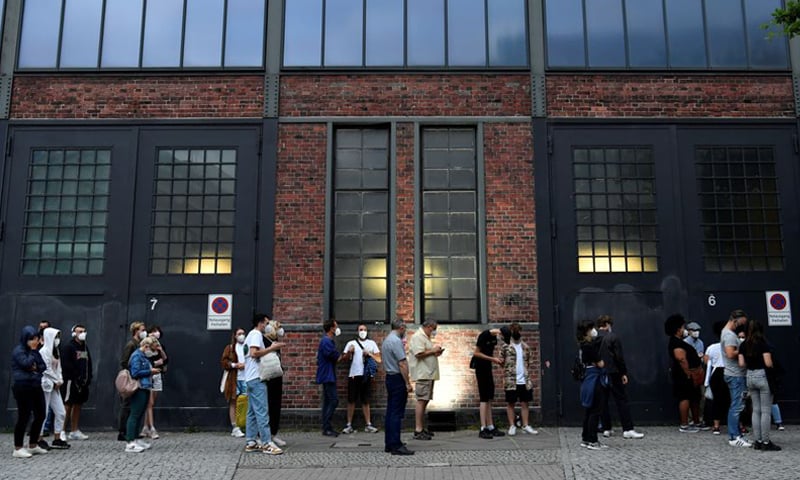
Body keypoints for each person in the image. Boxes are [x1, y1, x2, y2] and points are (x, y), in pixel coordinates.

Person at [595, 315, 644, 439]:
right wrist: (623, 373)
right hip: (614, 372)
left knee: (603, 402)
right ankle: (627, 429)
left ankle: (607, 428)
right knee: (621, 400)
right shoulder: (613, 338)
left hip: (600, 373)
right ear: (608, 324)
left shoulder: (595, 339)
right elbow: (618, 357)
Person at [243, 313, 283, 455]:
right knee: (262, 411)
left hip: (250, 378)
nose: (267, 326)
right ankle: (267, 443)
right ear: (260, 323)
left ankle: (251, 441)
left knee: (252, 412)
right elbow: (254, 353)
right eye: (266, 323)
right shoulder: (256, 335)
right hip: (257, 377)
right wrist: (272, 348)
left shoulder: (250, 335)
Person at [739, 320, 781, 451]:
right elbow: (768, 363)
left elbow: (741, 364)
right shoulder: (763, 344)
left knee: (756, 410)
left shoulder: (743, 345)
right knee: (766, 411)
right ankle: (766, 441)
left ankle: (757, 441)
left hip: (750, 376)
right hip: (763, 376)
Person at [11, 326, 49, 458]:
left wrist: (35, 367)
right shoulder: (19, 351)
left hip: (35, 385)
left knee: (41, 414)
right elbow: (26, 364)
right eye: (32, 339)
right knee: (24, 416)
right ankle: (18, 447)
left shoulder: (35, 352)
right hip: (23, 386)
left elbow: (43, 366)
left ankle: (33, 444)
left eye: (36, 339)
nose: (35, 342)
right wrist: (33, 355)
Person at [664, 314, 703, 433]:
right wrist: (688, 373)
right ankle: (684, 424)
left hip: (691, 374)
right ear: (678, 329)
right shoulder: (675, 343)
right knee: (684, 397)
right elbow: (682, 359)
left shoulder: (679, 341)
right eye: (682, 327)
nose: (684, 329)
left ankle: (697, 422)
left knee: (695, 397)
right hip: (684, 375)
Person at [341, 324, 381, 434]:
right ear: (357, 332)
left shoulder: (371, 343)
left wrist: (370, 354)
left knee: (366, 400)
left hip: (366, 375)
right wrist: (350, 352)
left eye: (364, 330)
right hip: (354, 374)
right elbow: (343, 359)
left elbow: (379, 359)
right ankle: (349, 424)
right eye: (360, 330)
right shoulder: (351, 343)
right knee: (351, 400)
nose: (362, 331)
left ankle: (368, 424)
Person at [499, 322, 538, 436]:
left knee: (525, 403)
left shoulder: (526, 347)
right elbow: (501, 362)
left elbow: (529, 363)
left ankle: (525, 425)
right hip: (511, 381)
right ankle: (512, 425)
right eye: (515, 331)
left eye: (518, 330)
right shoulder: (506, 347)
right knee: (511, 403)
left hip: (524, 380)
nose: (517, 333)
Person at [382, 319, 414, 455]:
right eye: (404, 328)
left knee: (390, 412)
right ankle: (396, 444)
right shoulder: (396, 342)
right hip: (397, 378)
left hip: (390, 377)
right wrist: (407, 382)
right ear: (401, 327)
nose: (405, 331)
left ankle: (389, 443)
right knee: (396, 413)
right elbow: (402, 364)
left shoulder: (387, 340)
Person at [472, 326, 510, 439]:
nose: (501, 340)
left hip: (487, 367)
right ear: (500, 333)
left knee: (489, 397)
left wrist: (497, 361)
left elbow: (489, 354)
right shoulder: (484, 335)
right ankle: (483, 428)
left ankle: (490, 426)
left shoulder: (494, 339)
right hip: (480, 367)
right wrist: (493, 359)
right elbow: (476, 353)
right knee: (484, 397)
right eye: (503, 338)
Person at [408, 319, 443, 441]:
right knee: (421, 400)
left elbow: (425, 352)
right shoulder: (418, 337)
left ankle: (421, 428)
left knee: (425, 400)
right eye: (433, 329)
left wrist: (435, 352)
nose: (434, 332)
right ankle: (418, 429)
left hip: (428, 373)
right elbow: (418, 354)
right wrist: (433, 350)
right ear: (428, 327)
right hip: (423, 374)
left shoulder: (425, 337)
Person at [721, 309, 752, 448]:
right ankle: (734, 436)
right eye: (742, 323)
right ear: (736, 320)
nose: (742, 325)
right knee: (736, 406)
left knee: (737, 405)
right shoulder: (728, 335)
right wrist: (745, 349)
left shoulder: (728, 333)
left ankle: (737, 434)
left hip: (735, 374)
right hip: (735, 375)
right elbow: (730, 353)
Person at [124, 336, 159, 453]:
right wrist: (150, 371)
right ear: (146, 346)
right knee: (135, 414)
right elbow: (135, 373)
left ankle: (135, 438)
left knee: (139, 414)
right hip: (138, 387)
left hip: (145, 387)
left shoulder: (143, 356)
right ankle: (130, 442)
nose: (152, 352)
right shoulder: (137, 356)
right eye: (152, 349)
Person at [577, 320, 607, 450]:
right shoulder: (589, 346)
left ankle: (586, 438)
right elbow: (600, 363)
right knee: (595, 410)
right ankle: (592, 440)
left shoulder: (582, 346)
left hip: (587, 380)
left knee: (589, 411)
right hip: (594, 380)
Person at [39, 327, 70, 450]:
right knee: (43, 412)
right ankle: (39, 438)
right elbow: (46, 369)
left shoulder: (55, 351)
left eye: (58, 337)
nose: (57, 340)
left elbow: (59, 368)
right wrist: (56, 380)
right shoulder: (43, 351)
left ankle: (57, 438)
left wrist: (60, 379)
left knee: (61, 412)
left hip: (55, 386)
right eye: (55, 337)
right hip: (46, 385)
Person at [61, 324, 92, 441]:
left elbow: (88, 363)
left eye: (84, 331)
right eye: (80, 331)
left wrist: (88, 378)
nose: (82, 333)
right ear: (74, 333)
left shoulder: (84, 347)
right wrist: (75, 377)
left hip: (83, 382)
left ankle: (74, 430)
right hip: (71, 381)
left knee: (78, 404)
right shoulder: (69, 347)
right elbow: (66, 364)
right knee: (67, 405)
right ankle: (62, 430)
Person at [118, 322, 147, 441]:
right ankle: (123, 431)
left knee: (135, 406)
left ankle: (133, 431)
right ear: (136, 331)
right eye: (142, 330)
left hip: (138, 379)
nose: (144, 332)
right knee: (127, 406)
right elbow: (124, 361)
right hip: (132, 379)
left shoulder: (140, 344)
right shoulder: (131, 345)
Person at [703, 321, 730, 435]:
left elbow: (705, 361)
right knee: (733, 400)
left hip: (716, 374)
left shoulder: (711, 347)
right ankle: (738, 425)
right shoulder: (732, 346)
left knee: (717, 400)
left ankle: (716, 426)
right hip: (729, 372)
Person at [263, 319, 287, 447]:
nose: (281, 330)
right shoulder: (265, 342)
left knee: (276, 405)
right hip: (268, 378)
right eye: (278, 327)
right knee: (269, 405)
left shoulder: (275, 342)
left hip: (277, 376)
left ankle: (273, 433)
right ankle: (266, 435)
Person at [316, 318, 342, 437]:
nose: (337, 329)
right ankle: (327, 427)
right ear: (331, 328)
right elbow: (335, 357)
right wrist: (347, 353)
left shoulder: (328, 341)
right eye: (335, 326)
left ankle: (327, 427)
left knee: (327, 401)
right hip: (327, 375)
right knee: (333, 400)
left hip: (328, 374)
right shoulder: (327, 341)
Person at [141, 325, 167, 440]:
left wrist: (160, 351)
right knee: (149, 403)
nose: (155, 334)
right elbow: (147, 362)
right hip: (149, 376)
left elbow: (165, 360)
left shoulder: (159, 346)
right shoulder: (145, 346)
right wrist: (155, 363)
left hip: (157, 375)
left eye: (157, 332)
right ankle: (151, 428)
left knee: (151, 403)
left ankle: (146, 427)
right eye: (153, 332)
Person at [221, 327, 246, 438]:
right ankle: (235, 427)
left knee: (246, 402)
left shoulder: (247, 347)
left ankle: (245, 424)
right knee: (233, 402)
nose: (242, 335)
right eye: (239, 333)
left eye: (243, 333)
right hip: (234, 379)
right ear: (235, 336)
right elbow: (224, 362)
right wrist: (235, 365)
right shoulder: (230, 348)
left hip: (246, 378)